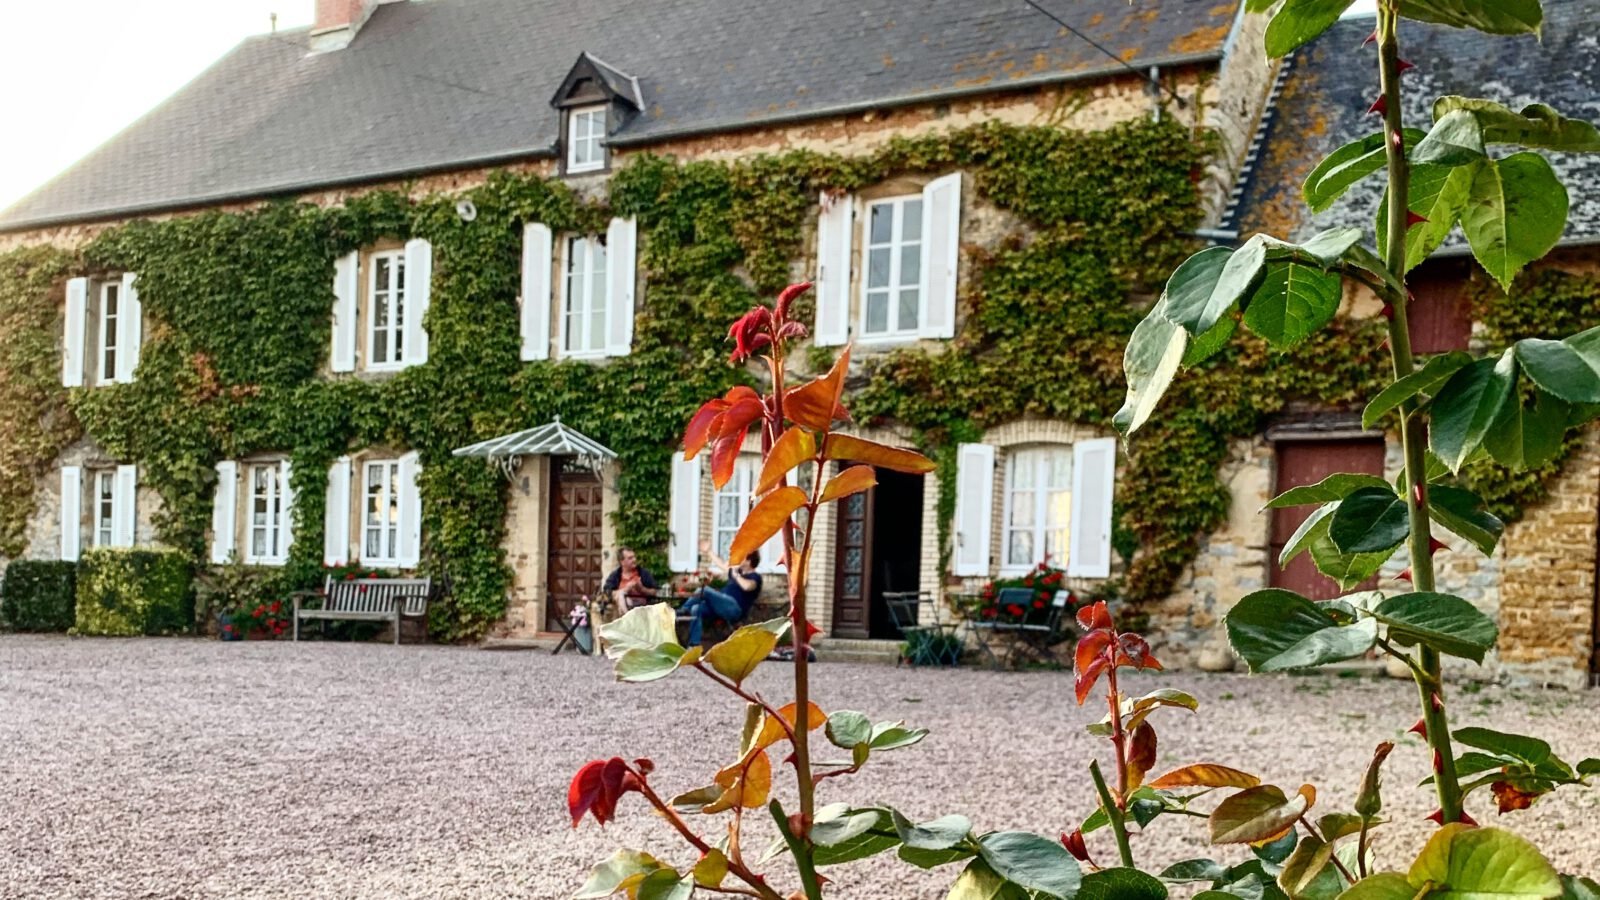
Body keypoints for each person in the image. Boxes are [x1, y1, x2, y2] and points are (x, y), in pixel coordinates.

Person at [681, 539, 762, 645]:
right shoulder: (736, 572)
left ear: (749, 560)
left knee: (705, 589)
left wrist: (736, 574)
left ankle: (682, 610)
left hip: (734, 609)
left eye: (741, 557)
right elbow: (721, 564)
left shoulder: (755, 577)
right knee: (696, 609)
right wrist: (708, 551)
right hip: (721, 606)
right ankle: (693, 645)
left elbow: (747, 587)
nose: (738, 559)